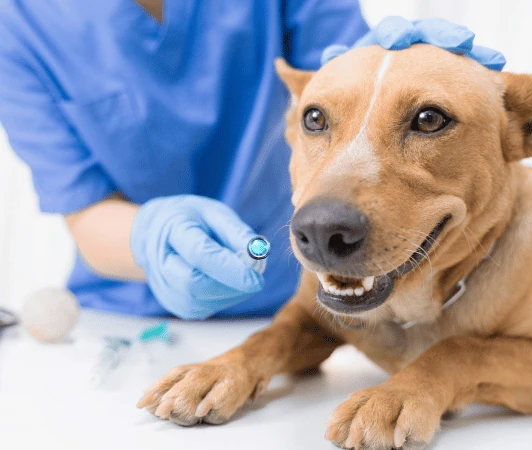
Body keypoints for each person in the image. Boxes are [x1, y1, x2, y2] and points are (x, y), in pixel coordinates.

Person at [0, 0, 503, 320]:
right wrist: (152, 238)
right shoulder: (17, 24)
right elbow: (84, 210)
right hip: (123, 311)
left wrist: (414, 81)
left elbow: (348, 85)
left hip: (303, 299)